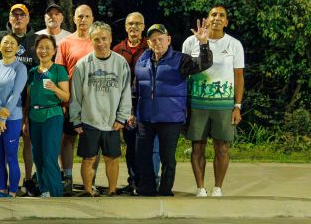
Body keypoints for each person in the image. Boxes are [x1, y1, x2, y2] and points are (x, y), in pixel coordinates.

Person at [134, 22, 212, 196]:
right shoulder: (143, 59)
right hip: (145, 117)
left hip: (170, 118)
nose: (157, 43)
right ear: (148, 43)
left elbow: (204, 63)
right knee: (143, 155)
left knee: (167, 158)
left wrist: (203, 44)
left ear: (168, 40)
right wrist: (133, 112)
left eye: (160, 39)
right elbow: (136, 88)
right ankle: (147, 189)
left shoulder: (180, 59)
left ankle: (165, 190)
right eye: (153, 40)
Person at [182, 6, 245, 197]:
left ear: (226, 22)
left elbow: (239, 76)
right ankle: (200, 187)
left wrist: (237, 106)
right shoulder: (190, 42)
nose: (217, 18)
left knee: (222, 147)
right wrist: (183, 104)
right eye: (213, 15)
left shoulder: (234, 44)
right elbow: (183, 74)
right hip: (197, 103)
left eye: (221, 15)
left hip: (223, 104)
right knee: (197, 146)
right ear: (207, 19)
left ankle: (218, 187)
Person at [69, 21, 131, 196]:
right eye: (96, 39)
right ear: (91, 41)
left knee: (112, 158)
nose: (101, 43)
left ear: (110, 39)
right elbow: (76, 95)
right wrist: (76, 119)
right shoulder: (82, 64)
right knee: (88, 158)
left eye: (104, 38)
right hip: (89, 120)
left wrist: (122, 117)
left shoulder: (120, 63)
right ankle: (88, 191)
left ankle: (112, 191)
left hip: (112, 121)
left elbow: (126, 92)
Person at [112, 12, 155, 194]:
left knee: (146, 144)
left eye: (138, 24)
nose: (134, 27)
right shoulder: (117, 49)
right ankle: (133, 181)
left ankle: (148, 180)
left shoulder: (150, 47)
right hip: (125, 102)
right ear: (125, 27)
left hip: (146, 102)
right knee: (130, 144)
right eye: (130, 24)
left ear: (143, 27)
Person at [55, 4, 95, 194]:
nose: (83, 20)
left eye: (87, 16)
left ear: (92, 19)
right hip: (71, 101)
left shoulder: (97, 41)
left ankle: (90, 180)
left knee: (93, 142)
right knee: (68, 139)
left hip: (94, 102)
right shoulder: (66, 42)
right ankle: (67, 177)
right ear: (74, 19)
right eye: (80, 16)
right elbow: (60, 72)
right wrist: (63, 101)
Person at [0, 32, 28, 198]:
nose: (8, 46)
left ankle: (13, 191)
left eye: (12, 43)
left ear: (17, 48)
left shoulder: (20, 68)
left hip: (12, 118)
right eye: (5, 43)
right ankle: (2, 188)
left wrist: (3, 117)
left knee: (11, 157)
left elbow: (15, 94)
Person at [26, 34, 70, 197]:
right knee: (37, 156)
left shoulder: (59, 70)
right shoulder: (32, 72)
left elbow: (66, 97)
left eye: (47, 48)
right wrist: (25, 119)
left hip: (52, 115)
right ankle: (44, 190)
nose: (43, 51)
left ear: (54, 51)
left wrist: (55, 88)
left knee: (49, 155)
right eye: (40, 47)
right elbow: (29, 98)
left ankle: (55, 192)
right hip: (34, 116)